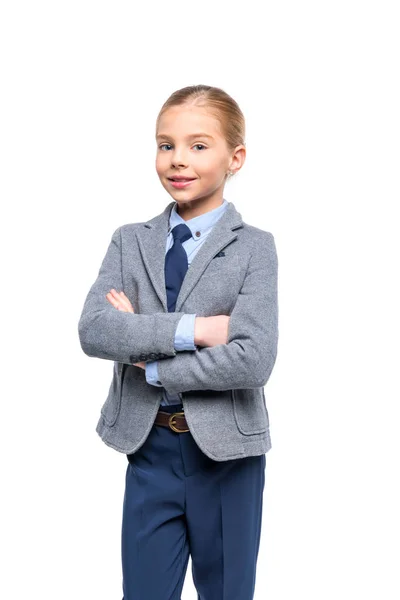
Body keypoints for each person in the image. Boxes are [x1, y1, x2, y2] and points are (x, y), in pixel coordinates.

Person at [78, 84, 279, 600]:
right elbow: (95, 330)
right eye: (165, 145)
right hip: (151, 449)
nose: (177, 160)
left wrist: (149, 361)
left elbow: (252, 358)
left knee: (228, 592)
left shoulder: (254, 248)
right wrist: (198, 330)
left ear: (235, 157)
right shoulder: (130, 239)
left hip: (227, 456)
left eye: (198, 145)